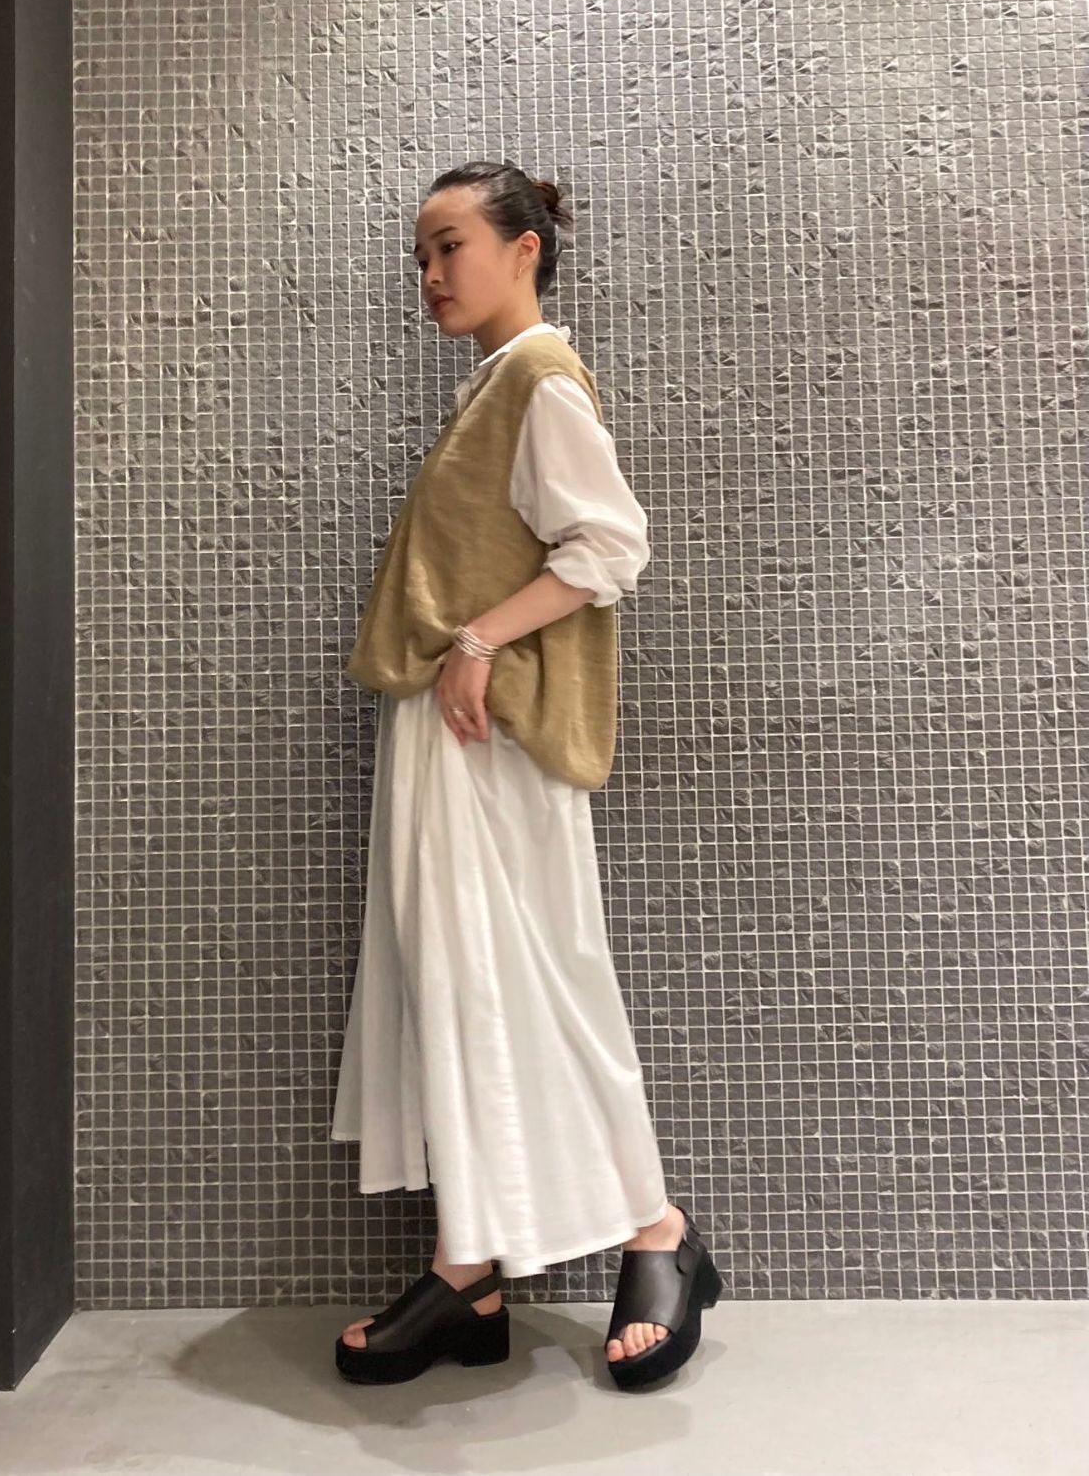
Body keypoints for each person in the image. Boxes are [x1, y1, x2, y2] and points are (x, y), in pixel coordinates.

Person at [330, 161, 723, 1389]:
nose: (430, 273)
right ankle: (470, 1267)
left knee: (542, 976)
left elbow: (609, 543)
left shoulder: (540, 378)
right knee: (459, 988)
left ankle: (656, 1229)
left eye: (449, 245)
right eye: (421, 255)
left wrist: (478, 640)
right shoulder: (495, 383)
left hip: (493, 742)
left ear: (523, 248)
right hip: (452, 737)